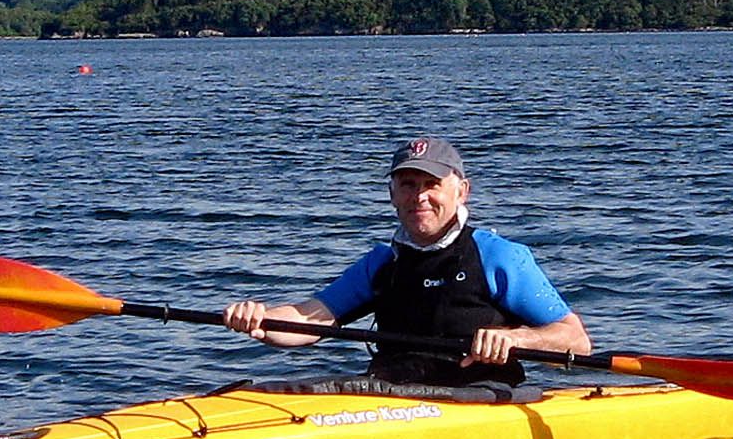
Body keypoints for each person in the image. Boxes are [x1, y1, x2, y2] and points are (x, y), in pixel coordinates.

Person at [223, 136, 590, 390]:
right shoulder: (383, 262)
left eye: (432, 184)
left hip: (478, 395)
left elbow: (576, 339)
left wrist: (518, 338)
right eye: (408, 184)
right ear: (392, 194)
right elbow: (308, 319)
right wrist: (261, 321)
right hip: (394, 394)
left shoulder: (498, 255)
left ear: (462, 191)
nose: (420, 196)